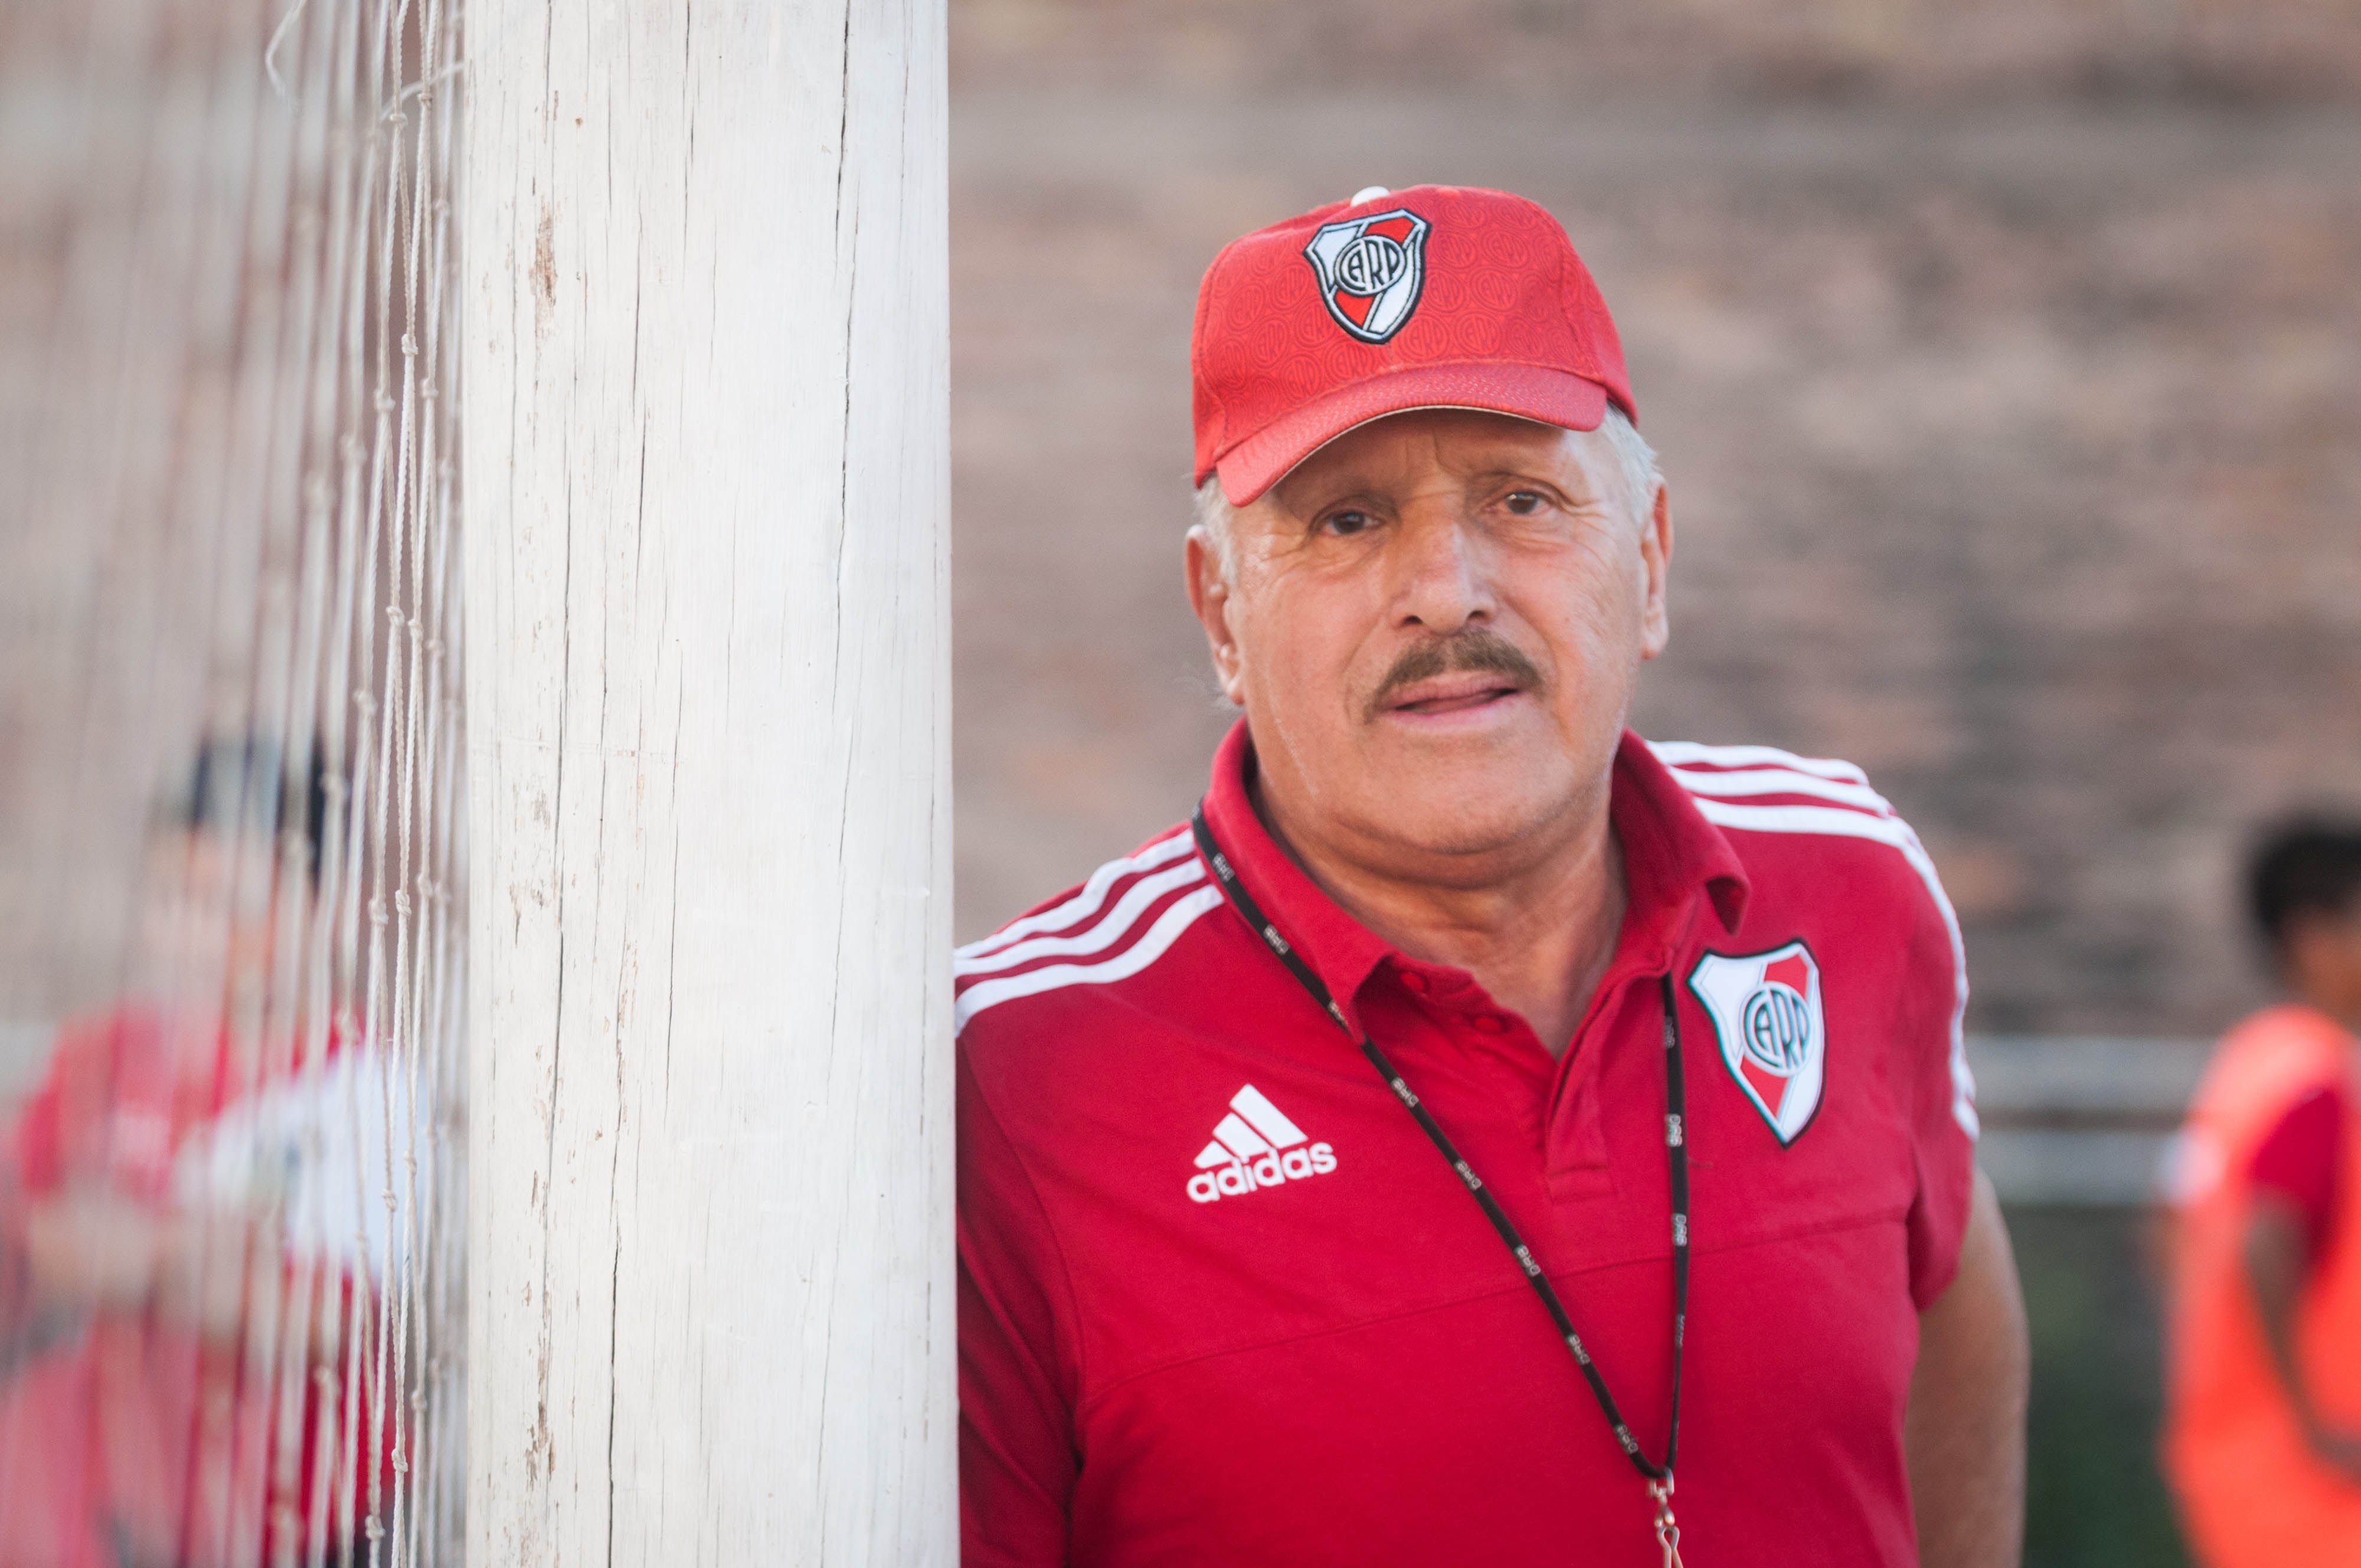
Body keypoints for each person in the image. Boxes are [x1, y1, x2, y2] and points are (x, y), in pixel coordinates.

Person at [956, 184, 2028, 1567]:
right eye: (1344, 520)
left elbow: (1951, 1304)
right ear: (1222, 613)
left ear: (1644, 565)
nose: (1446, 588)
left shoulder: (1848, 879)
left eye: (1520, 497)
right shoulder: (1016, 1072)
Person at [0, 739, 396, 1568]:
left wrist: (137, 1254)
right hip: (124, 1523)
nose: (189, 930)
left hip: (315, 1532)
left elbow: (338, 1321)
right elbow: (27, 1242)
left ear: (319, 902)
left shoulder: (369, 1087)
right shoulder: (99, 1056)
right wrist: (190, 1249)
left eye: (225, 901)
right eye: (174, 895)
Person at [2163, 819, 2361, 1566]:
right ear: (2314, 936)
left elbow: (2168, 1226)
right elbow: (2262, 1236)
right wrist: (2315, 1421)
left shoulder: (2245, 1064)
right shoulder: (2315, 1081)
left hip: (2229, 1456)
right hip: (2318, 1479)